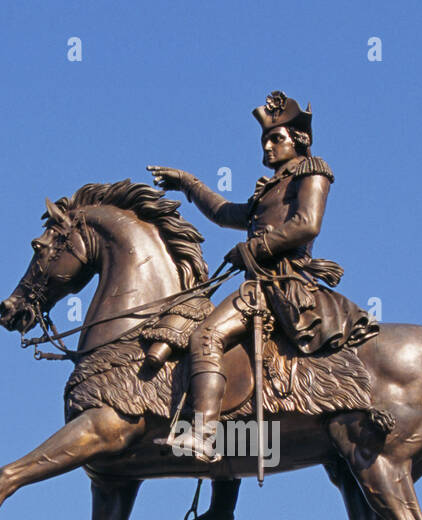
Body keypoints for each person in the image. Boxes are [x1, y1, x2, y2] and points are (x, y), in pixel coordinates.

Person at [147, 90, 375, 473]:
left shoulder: (312, 172)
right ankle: (222, 502)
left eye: (276, 139)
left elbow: (306, 225)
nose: (268, 147)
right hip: (262, 282)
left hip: (280, 285)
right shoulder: (270, 188)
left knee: (206, 336)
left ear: (298, 140)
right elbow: (223, 213)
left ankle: (201, 431)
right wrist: (188, 183)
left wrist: (254, 248)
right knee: (232, 361)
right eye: (265, 141)